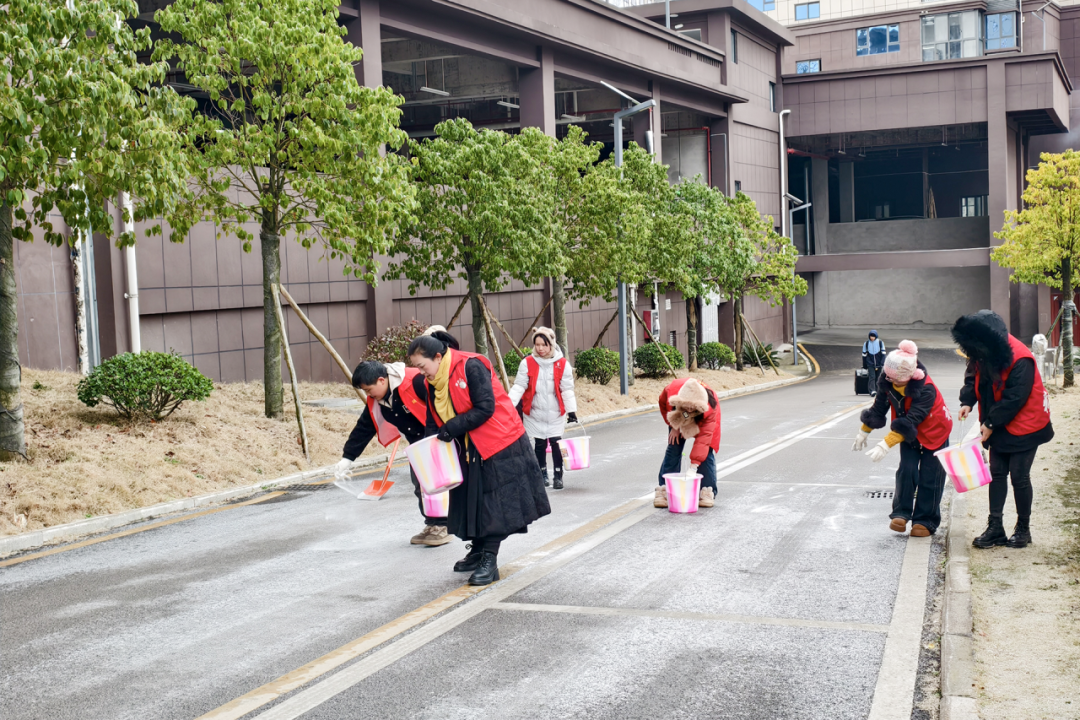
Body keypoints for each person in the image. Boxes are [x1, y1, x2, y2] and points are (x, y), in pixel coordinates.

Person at [407, 329, 550, 586]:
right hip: (467, 447)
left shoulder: (470, 366)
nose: (420, 372)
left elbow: (486, 407)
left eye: (422, 366)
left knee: (493, 504)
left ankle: (489, 560)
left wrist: (452, 427)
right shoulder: (432, 382)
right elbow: (432, 419)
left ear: (438, 357)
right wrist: (430, 449)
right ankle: (477, 550)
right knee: (468, 501)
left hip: (499, 443)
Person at [951, 310, 1054, 549]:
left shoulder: (1021, 358)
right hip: (998, 419)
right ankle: (995, 527)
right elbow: (973, 376)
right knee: (996, 473)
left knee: (1019, 476)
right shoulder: (983, 350)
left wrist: (990, 423)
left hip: (1026, 422)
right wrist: (967, 401)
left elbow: (1015, 397)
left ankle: (1023, 529)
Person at [333, 361, 450, 547]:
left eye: (368, 389)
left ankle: (443, 526)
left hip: (439, 439)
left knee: (437, 483)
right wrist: (347, 458)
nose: (368, 394)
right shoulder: (377, 400)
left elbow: (442, 404)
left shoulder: (415, 382)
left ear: (381, 380)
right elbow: (364, 427)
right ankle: (432, 524)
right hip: (417, 444)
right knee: (420, 485)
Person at [853, 340, 952, 537]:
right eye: (889, 378)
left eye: (897, 380)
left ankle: (925, 520)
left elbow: (911, 421)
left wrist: (885, 444)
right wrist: (864, 431)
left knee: (930, 476)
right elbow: (879, 408)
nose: (892, 382)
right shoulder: (887, 380)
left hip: (935, 431)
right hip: (908, 434)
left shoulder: (926, 389)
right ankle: (901, 513)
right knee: (906, 470)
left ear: (910, 376)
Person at [508, 327, 579, 490]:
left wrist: (571, 411)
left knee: (556, 442)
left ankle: (558, 475)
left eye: (543, 345)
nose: (540, 348)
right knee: (539, 443)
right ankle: (542, 474)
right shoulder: (527, 363)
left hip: (555, 412)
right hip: (534, 412)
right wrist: (508, 405)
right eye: (537, 344)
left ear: (551, 345)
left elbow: (567, 389)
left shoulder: (562, 364)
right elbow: (519, 386)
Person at [653, 377, 720, 509]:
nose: (689, 410)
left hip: (703, 417)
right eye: (687, 408)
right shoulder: (671, 393)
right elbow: (664, 407)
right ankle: (664, 488)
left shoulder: (710, 408)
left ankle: (707, 490)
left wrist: (693, 467)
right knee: (674, 447)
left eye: (692, 408)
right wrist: (674, 425)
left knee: (706, 451)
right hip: (679, 413)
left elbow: (703, 441)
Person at [862, 330, 887, 395]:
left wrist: (882, 363)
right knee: (872, 376)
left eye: (873, 336)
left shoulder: (880, 342)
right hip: (870, 363)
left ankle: (878, 390)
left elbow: (883, 354)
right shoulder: (866, 343)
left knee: (878, 377)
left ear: (876, 336)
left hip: (879, 363)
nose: (872, 338)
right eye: (871, 336)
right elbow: (864, 355)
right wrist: (864, 365)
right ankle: (872, 390)